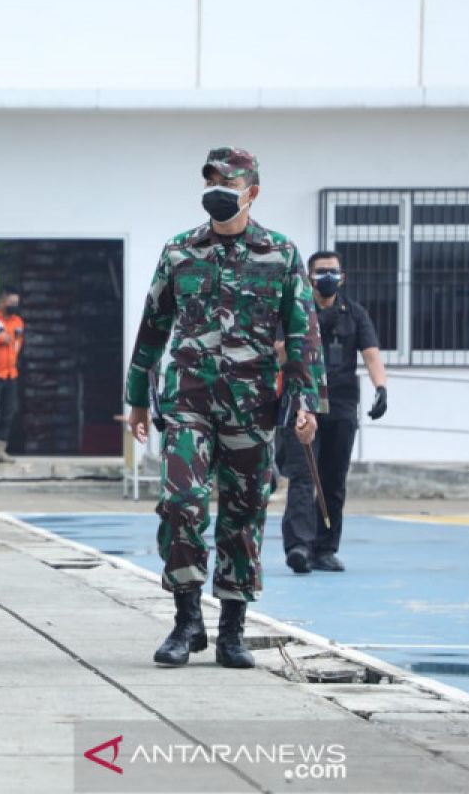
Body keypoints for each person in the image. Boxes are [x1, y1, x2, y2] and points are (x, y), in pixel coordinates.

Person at [125, 147, 327, 670]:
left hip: (252, 407)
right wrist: (136, 397)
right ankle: (187, 620)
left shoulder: (281, 254)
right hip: (188, 400)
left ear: (251, 191)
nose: (217, 186)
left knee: (244, 515)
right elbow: (153, 325)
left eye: (227, 179)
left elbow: (304, 333)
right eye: (211, 177)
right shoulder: (179, 251)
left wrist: (306, 402)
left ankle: (232, 629)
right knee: (181, 504)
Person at [280, 251, 386, 574]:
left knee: (333, 479)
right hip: (302, 403)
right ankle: (298, 545)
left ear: (343, 277)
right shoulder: (296, 312)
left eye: (333, 272)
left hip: (340, 405)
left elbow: (370, 354)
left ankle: (324, 548)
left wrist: (381, 388)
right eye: (321, 272)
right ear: (309, 278)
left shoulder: (354, 314)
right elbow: (278, 353)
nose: (328, 277)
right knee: (302, 475)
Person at [0, 286, 24, 463]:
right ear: (2, 301)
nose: (13, 306)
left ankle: (0, 448)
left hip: (11, 373)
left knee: (9, 411)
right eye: (11, 302)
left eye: (16, 303)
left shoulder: (17, 321)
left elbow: (17, 343)